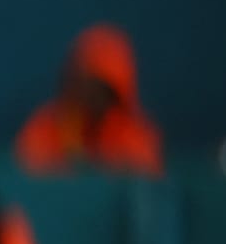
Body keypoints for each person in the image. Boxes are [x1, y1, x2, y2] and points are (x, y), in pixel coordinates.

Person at [15, 23, 164, 177]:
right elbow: (29, 176)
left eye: (101, 89)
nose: (90, 97)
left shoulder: (135, 135)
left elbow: (146, 179)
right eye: (83, 84)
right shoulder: (44, 129)